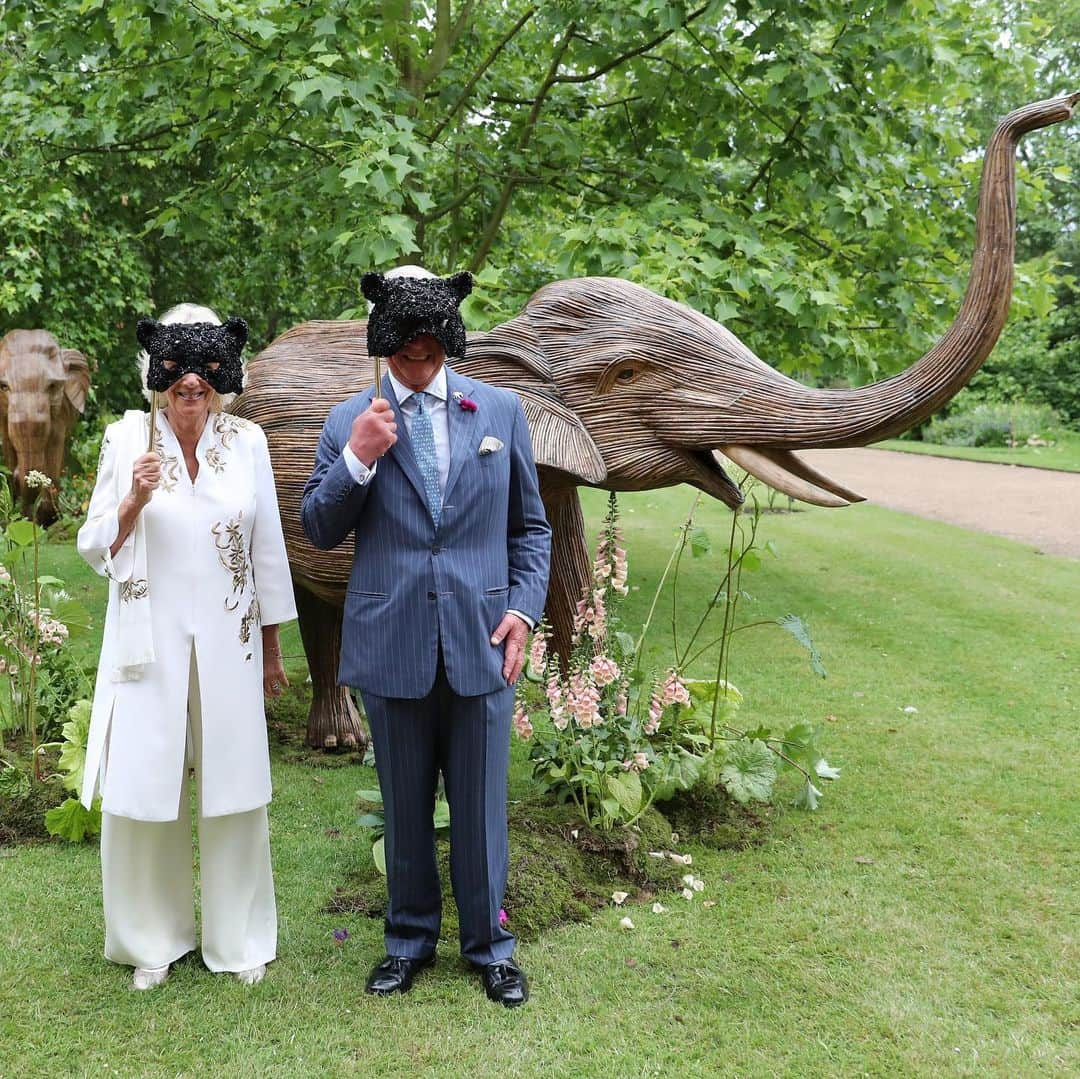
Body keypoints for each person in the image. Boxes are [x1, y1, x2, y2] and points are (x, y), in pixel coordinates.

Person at [301, 266, 551, 1007]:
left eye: (431, 352)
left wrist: (525, 611)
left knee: (481, 809)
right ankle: (407, 941)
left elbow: (529, 528)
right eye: (406, 354)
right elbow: (319, 525)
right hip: (394, 639)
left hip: (482, 639)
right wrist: (360, 456)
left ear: (449, 342)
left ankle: (491, 946)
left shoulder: (500, 412)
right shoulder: (352, 416)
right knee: (404, 806)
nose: (419, 366)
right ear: (384, 349)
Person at [77, 308, 297, 990]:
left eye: (204, 376)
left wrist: (271, 650)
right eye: (178, 376)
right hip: (149, 641)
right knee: (146, 786)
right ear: (159, 380)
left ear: (223, 380)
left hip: (229, 640)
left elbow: (266, 551)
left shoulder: (249, 442)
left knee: (236, 786)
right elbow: (92, 546)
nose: (191, 387)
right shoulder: (125, 438)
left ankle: (240, 937)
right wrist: (132, 502)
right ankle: (151, 940)